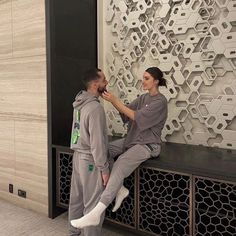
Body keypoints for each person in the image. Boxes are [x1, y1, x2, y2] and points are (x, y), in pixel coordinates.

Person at [71, 66, 168, 229]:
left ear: (156, 81)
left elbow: (137, 117)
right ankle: (119, 188)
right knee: (105, 150)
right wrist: (113, 101)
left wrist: (114, 100)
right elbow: (126, 113)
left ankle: (97, 211)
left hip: (147, 144)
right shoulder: (143, 98)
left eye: (146, 78)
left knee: (121, 162)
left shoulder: (160, 101)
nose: (142, 81)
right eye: (143, 78)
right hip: (133, 139)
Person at [68, 68, 110, 236]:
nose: (106, 83)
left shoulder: (79, 103)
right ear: (95, 84)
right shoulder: (95, 108)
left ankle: (73, 233)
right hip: (90, 160)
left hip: (78, 156)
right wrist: (104, 169)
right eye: (104, 80)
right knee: (93, 205)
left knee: (76, 199)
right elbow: (97, 143)